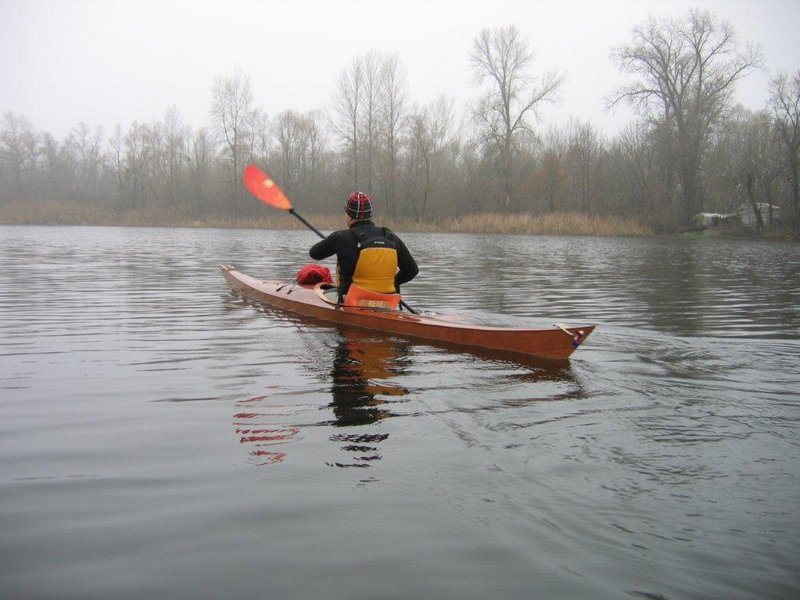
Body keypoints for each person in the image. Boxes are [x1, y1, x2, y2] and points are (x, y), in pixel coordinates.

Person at [309, 191, 418, 306]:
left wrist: (332, 242)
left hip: (352, 300)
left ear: (348, 215)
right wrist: (393, 282)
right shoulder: (391, 238)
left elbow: (315, 253)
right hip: (387, 302)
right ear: (370, 215)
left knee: (318, 293)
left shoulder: (340, 237)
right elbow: (412, 271)